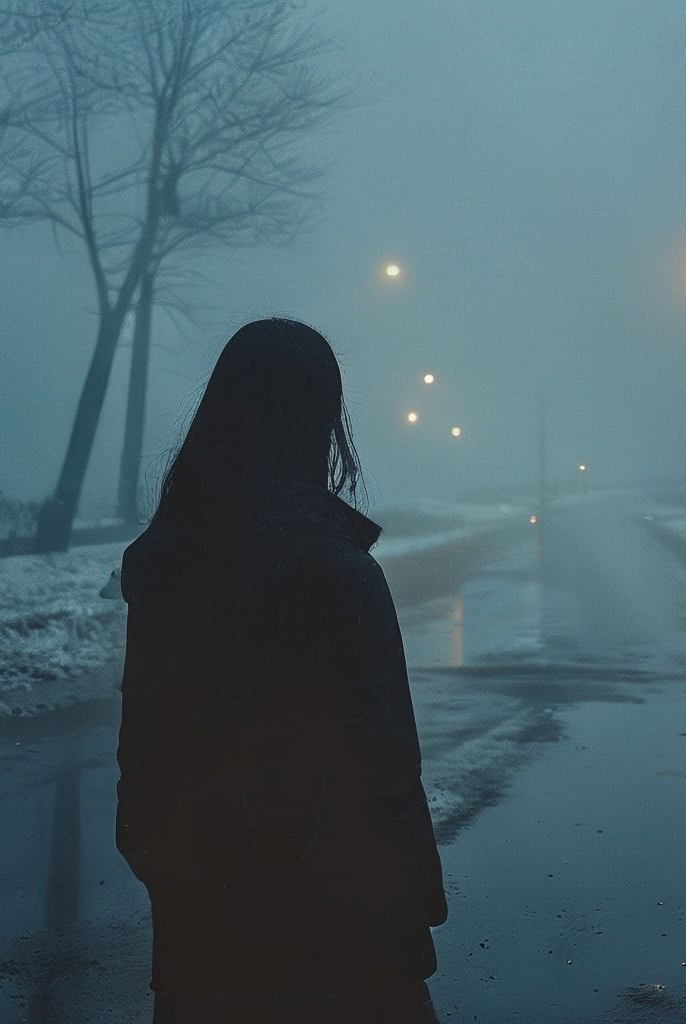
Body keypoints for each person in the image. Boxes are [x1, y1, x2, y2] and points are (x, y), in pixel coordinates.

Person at [115, 318, 447, 1023]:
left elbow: (143, 755)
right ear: (320, 424)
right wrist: (413, 920)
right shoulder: (341, 574)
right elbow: (387, 768)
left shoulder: (165, 565)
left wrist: (174, 872)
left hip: (200, 947)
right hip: (345, 948)